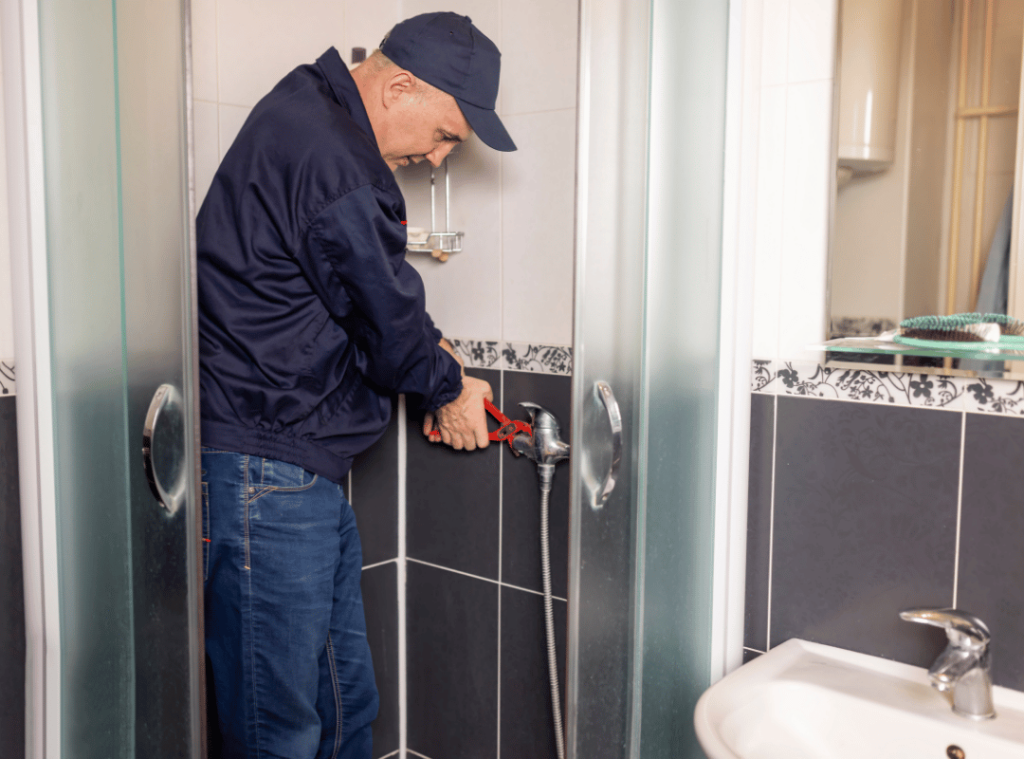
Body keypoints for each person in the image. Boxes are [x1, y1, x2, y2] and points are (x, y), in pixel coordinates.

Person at [196, 12, 515, 759]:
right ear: (399, 85)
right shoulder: (334, 157)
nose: (439, 161)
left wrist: (435, 362)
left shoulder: (309, 110)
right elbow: (390, 322)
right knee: (280, 730)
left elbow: (350, 297)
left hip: (291, 466)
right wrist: (447, 388)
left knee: (344, 702)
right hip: (263, 471)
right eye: (445, 137)